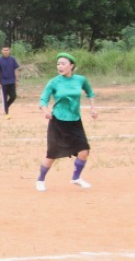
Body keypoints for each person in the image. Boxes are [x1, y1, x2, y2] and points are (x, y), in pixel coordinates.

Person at [36, 53, 97, 192]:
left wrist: (93, 109)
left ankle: (76, 178)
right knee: (52, 154)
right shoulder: (54, 82)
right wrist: (45, 111)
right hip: (58, 121)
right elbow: (43, 99)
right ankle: (40, 180)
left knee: (84, 151)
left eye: (63, 63)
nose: (60, 66)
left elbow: (90, 93)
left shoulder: (80, 80)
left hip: (75, 121)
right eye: (58, 64)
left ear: (71, 66)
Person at [0, 46, 20, 118]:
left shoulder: (13, 60)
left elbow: (16, 70)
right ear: (1, 51)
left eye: (7, 50)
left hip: (11, 81)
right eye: (4, 50)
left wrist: (17, 80)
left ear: (9, 51)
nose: (6, 51)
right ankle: (6, 113)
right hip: (3, 82)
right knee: (4, 98)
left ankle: (6, 106)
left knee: (13, 96)